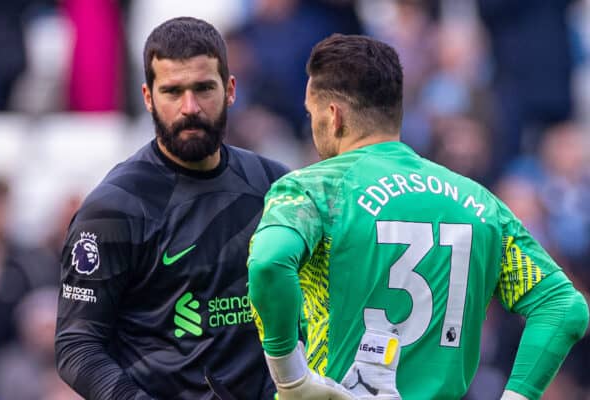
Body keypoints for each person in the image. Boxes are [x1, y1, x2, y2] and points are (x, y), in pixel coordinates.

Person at [247, 34, 589, 400]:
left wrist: (291, 379)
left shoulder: (316, 189)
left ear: (333, 116)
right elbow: (563, 306)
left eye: (311, 113)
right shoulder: (479, 203)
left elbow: (268, 263)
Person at [55, 16, 288, 400]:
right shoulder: (114, 209)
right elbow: (77, 347)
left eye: (203, 88)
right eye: (173, 91)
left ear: (230, 89)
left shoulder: (276, 187)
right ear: (148, 97)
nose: (190, 107)